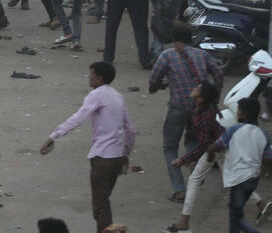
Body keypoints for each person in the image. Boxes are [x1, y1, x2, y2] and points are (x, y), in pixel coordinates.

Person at [40, 62, 136, 233]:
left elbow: (78, 118)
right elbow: (130, 129)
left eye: (91, 74)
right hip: (116, 157)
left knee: (100, 206)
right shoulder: (118, 96)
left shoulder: (96, 95)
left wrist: (53, 136)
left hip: (102, 157)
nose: (89, 77)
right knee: (103, 201)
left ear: (99, 78)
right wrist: (126, 154)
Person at [149, 21, 224, 204]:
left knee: (170, 147)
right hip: (200, 108)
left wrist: (158, 86)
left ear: (174, 39)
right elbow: (219, 74)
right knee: (193, 141)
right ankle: (195, 171)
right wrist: (213, 98)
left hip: (178, 107)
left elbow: (153, 81)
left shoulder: (167, 56)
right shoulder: (202, 55)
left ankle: (179, 190)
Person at [207, 98, 272, 233]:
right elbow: (267, 160)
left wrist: (210, 157)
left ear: (244, 114)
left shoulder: (234, 130)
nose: (237, 113)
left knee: (236, 216)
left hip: (239, 178)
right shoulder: (263, 134)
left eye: (239, 110)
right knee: (235, 213)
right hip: (253, 179)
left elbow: (214, 147)